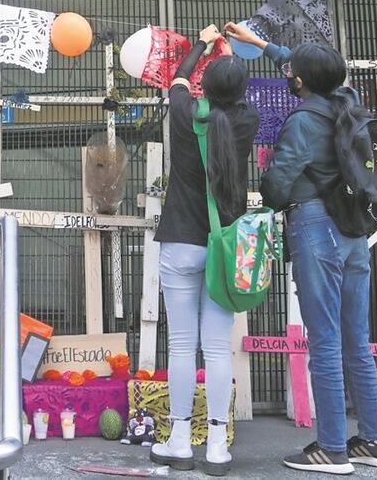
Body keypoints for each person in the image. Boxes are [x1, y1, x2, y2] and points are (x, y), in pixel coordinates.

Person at [226, 22, 377, 475]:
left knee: (323, 340)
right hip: (354, 232)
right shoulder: (349, 103)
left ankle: (332, 447)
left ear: (298, 81)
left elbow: (280, 181)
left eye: (292, 72)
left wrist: (267, 193)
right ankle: (374, 442)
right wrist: (264, 45)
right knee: (355, 340)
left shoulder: (302, 120)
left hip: (316, 226)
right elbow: (318, 73)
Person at [150, 25, 258, 476]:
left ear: (204, 88)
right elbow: (235, 92)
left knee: (180, 345)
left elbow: (177, 77)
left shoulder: (184, 111)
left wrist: (201, 42)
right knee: (217, 351)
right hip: (224, 248)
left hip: (179, 240)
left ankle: (178, 438)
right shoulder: (247, 120)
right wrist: (228, 52)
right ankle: (216, 445)